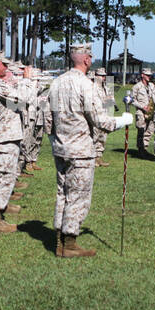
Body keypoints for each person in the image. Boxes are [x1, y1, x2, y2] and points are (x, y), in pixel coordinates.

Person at [48, 44, 133, 257]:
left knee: (63, 194)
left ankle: (59, 240)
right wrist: (122, 121)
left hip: (60, 147)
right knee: (78, 196)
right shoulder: (86, 85)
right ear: (86, 60)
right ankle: (70, 242)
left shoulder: (56, 83)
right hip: (80, 150)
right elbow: (99, 120)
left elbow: (48, 116)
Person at [0, 51, 25, 233]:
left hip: (8, 133)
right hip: (6, 135)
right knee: (4, 175)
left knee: (5, 174)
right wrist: (27, 81)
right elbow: (23, 99)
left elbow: (18, 105)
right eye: (4, 65)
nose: (7, 68)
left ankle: (2, 206)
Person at [91, 67, 116, 167]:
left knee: (103, 138)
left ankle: (99, 157)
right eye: (101, 76)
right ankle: (92, 159)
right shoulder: (92, 87)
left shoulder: (106, 87)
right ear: (96, 76)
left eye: (104, 76)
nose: (103, 78)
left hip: (105, 116)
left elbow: (110, 103)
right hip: (96, 116)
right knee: (94, 138)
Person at [130, 69, 153, 156]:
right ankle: (140, 149)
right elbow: (132, 100)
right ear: (142, 75)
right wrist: (142, 107)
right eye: (147, 75)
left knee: (149, 130)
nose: (149, 77)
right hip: (140, 112)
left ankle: (145, 148)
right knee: (141, 130)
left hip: (150, 112)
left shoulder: (151, 86)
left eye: (150, 75)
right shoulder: (136, 87)